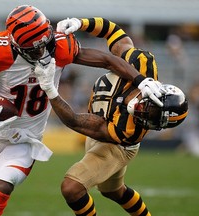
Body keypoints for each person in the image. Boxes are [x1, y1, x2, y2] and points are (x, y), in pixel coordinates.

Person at [0, 5, 164, 215]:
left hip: (25, 139)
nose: (43, 51)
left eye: (45, 42)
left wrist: (141, 80)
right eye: (35, 48)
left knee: (4, 186)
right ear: (17, 46)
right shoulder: (0, 53)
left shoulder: (60, 46)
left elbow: (107, 60)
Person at [34, 17, 189, 215]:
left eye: (153, 119)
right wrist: (81, 23)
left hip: (116, 147)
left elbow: (74, 121)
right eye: (153, 109)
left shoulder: (130, 130)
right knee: (113, 191)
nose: (146, 114)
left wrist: (50, 91)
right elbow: (113, 32)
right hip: (105, 129)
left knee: (71, 188)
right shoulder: (142, 64)